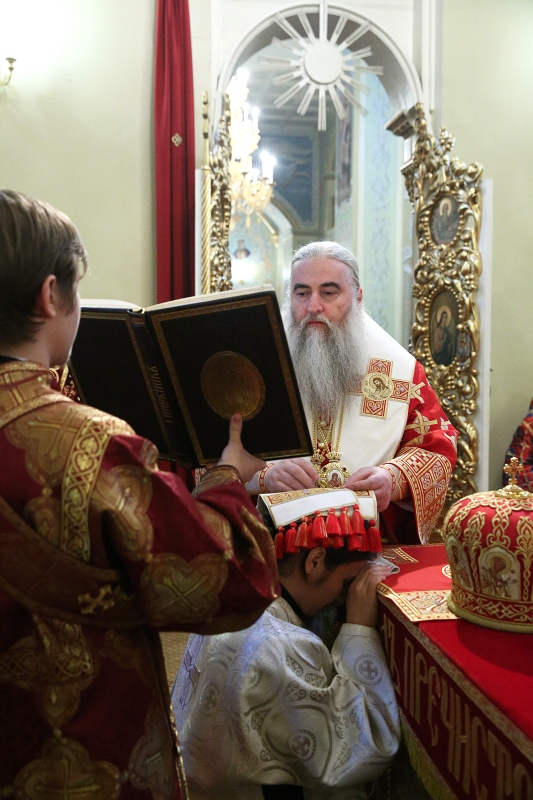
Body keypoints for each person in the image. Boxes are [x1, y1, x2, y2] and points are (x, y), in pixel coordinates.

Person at [0, 190, 278, 800]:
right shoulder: (87, 444)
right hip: (78, 751)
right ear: (51, 295)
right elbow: (226, 579)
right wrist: (227, 479)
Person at [246, 242, 458, 544]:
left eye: (328, 293)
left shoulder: (399, 372)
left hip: (365, 548)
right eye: (302, 293)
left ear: (358, 297)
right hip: (268, 547)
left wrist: (393, 478)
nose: (313, 306)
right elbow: (211, 457)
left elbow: (436, 448)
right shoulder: (257, 369)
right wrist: (264, 476)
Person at [173, 529, 399, 799]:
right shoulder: (282, 647)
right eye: (348, 582)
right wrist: (359, 631)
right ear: (315, 562)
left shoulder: (232, 598)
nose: (346, 597)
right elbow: (360, 750)